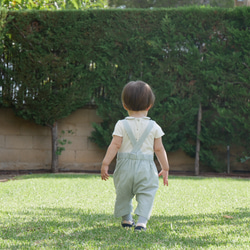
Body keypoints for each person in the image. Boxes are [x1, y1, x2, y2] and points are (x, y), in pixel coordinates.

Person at [101, 80, 169, 231]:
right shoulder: (154, 127)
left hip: (124, 167)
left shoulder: (121, 124)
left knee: (123, 192)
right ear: (149, 105)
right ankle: (141, 222)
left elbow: (115, 145)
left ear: (125, 105)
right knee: (147, 193)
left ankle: (126, 219)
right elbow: (159, 149)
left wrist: (105, 163)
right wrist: (165, 168)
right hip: (146, 168)